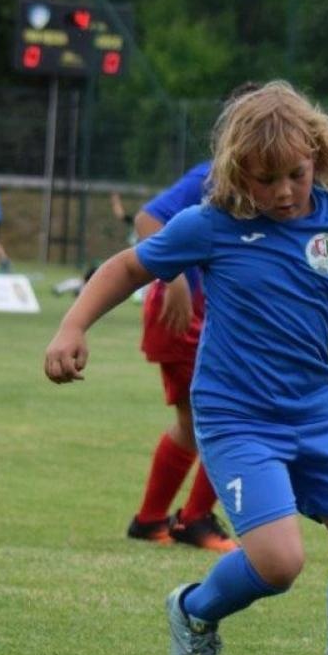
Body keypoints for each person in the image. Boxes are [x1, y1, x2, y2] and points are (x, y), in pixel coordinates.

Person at [43, 81, 328, 655]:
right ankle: (194, 609)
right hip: (237, 418)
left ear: (317, 154)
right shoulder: (212, 224)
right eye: (266, 180)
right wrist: (72, 326)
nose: (284, 191)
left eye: (295, 173)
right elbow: (128, 266)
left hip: (316, 411)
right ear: (239, 172)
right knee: (279, 562)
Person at [123, 157, 240, 553]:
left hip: (204, 316)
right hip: (183, 316)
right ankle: (193, 519)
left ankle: (153, 519)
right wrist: (171, 277)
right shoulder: (211, 176)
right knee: (228, 416)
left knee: (199, 421)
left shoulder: (268, 183)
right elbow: (147, 220)